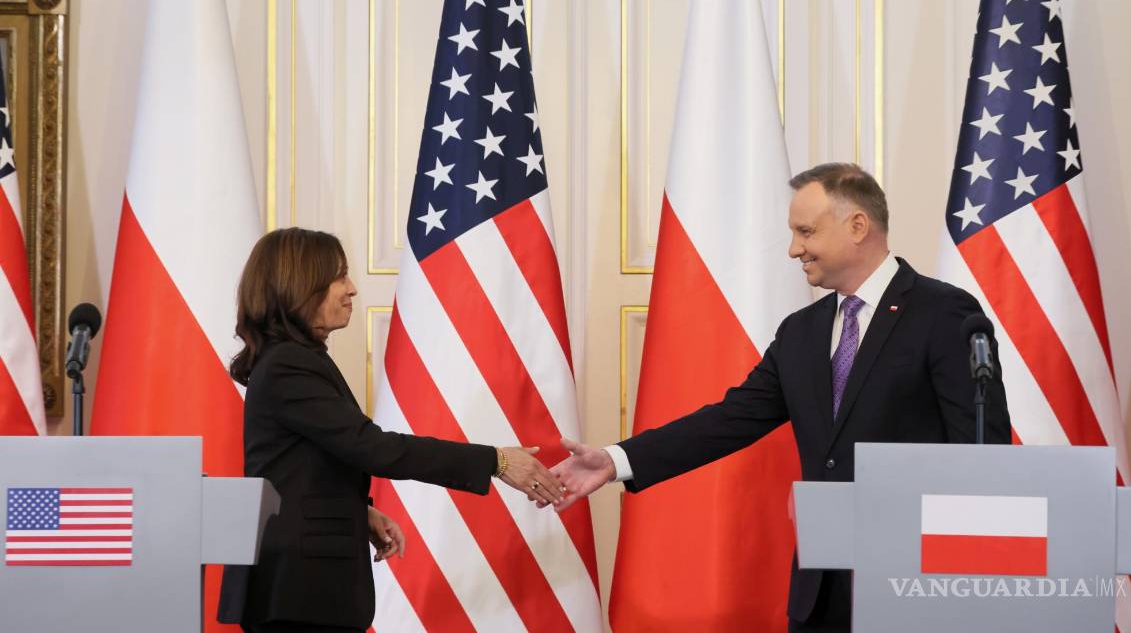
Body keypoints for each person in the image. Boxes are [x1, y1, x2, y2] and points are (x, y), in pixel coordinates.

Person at [552, 163, 1011, 632]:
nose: (794, 249)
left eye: (805, 232)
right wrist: (616, 460)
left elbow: (981, 451)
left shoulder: (943, 313)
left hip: (915, 590)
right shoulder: (801, 332)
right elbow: (732, 418)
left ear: (857, 225)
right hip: (820, 597)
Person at [218, 227, 563, 633]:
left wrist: (356, 511)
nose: (351, 289)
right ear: (300, 286)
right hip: (297, 590)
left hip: (302, 587)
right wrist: (496, 461)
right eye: (339, 276)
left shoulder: (292, 360)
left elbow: (301, 465)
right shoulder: (288, 364)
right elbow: (372, 448)